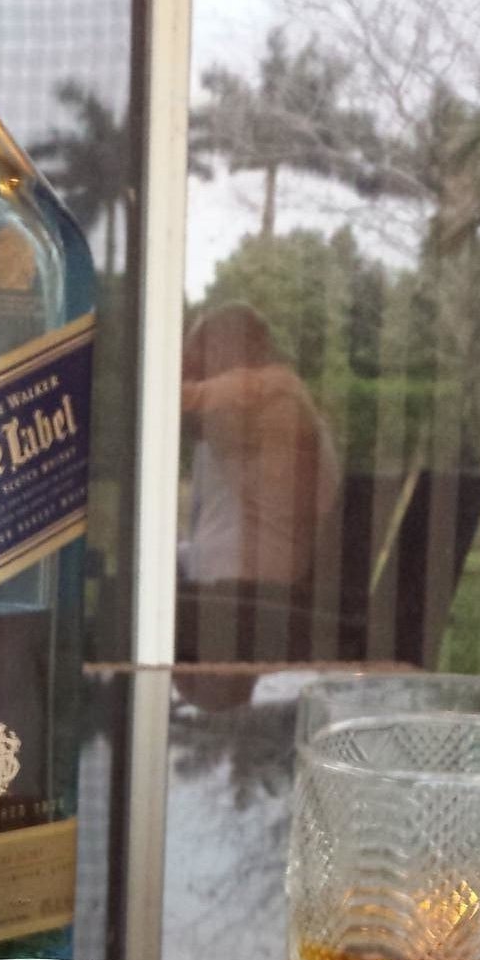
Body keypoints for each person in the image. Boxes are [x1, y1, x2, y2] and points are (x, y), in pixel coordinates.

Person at [176, 301, 340, 705]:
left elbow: (163, 398)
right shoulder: (275, 401)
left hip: (250, 595)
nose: (192, 368)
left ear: (230, 352)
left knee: (124, 600)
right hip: (262, 584)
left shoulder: (268, 392)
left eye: (199, 356)